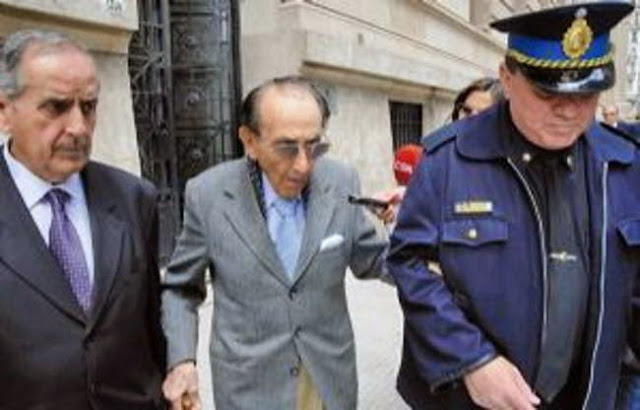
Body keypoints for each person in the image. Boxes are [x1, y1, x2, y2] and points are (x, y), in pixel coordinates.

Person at [388, 3, 639, 410]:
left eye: (587, 93)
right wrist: (470, 360)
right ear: (507, 77)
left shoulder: (625, 164)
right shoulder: (447, 160)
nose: (569, 109)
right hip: (474, 397)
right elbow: (409, 263)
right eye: (547, 92)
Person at [161, 76, 393, 409]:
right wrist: (182, 361)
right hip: (250, 389)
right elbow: (180, 289)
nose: (303, 165)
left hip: (327, 382)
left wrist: (417, 232)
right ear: (250, 141)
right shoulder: (208, 194)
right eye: (286, 148)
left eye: (314, 146)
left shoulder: (341, 181)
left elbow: (374, 260)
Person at [0, 29, 165, 408]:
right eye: (56, 107)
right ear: (5, 111)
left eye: (88, 107)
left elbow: (151, 327)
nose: (77, 127)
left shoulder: (134, 198)